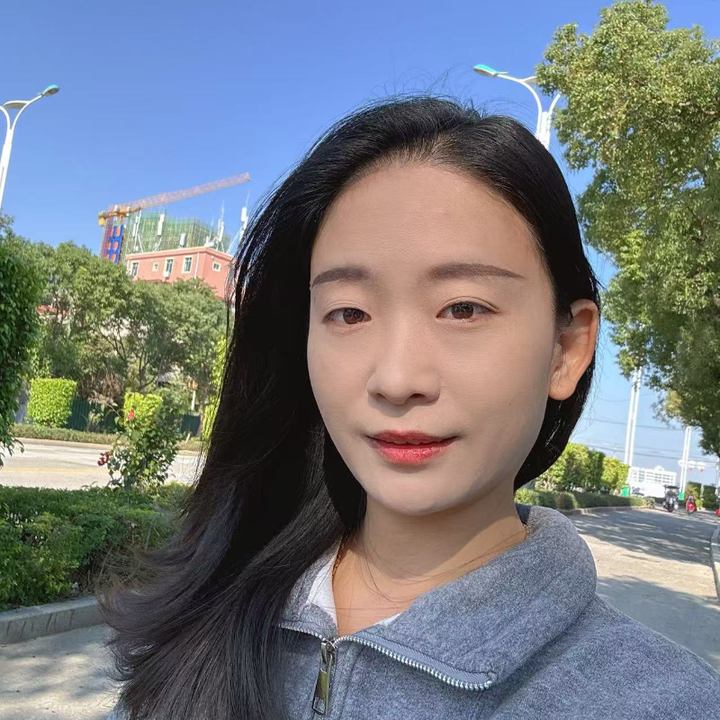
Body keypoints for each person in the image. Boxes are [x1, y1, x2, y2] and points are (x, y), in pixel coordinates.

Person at [100, 97, 720, 720]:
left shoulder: (663, 702)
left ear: (566, 348)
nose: (396, 380)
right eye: (349, 313)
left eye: (463, 308)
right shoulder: (205, 617)